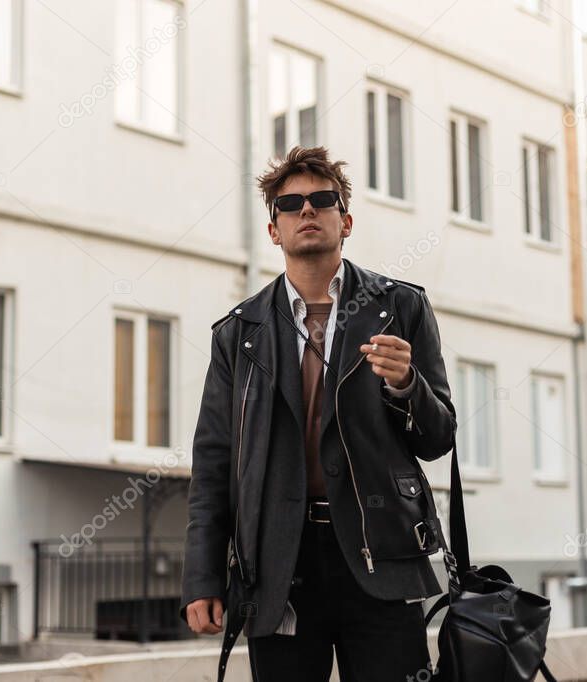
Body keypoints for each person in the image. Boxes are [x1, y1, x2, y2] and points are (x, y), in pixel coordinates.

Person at [179, 145, 457, 681]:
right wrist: (203, 576)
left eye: (322, 200)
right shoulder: (238, 334)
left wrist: (407, 385)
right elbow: (213, 461)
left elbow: (438, 436)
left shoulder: (401, 307)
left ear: (345, 220)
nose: (307, 211)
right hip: (278, 565)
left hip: (382, 553)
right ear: (274, 231)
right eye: (290, 205)